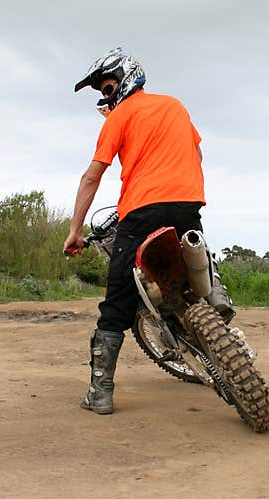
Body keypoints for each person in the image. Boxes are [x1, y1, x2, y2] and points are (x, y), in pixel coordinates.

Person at [63, 47, 234, 416]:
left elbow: (93, 175)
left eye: (107, 89)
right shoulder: (175, 106)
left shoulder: (119, 117)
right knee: (197, 253)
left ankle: (100, 393)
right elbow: (197, 156)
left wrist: (75, 231)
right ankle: (216, 298)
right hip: (188, 206)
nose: (106, 98)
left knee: (114, 306)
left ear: (126, 78)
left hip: (140, 214)